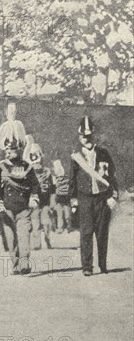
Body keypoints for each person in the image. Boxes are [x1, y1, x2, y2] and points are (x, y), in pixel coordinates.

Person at [0, 103, 40, 275]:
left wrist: (33, 196)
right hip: (6, 207)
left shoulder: (27, 166)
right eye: (7, 151)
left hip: (23, 207)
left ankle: (25, 262)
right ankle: (15, 263)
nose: (8, 153)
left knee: (24, 235)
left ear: (18, 150)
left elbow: (35, 184)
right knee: (10, 239)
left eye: (12, 151)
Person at [68, 116, 118, 276]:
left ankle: (103, 265)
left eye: (89, 136)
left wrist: (113, 196)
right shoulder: (76, 156)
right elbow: (72, 180)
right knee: (86, 232)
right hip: (85, 198)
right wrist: (74, 200)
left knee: (102, 232)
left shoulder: (104, 153)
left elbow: (111, 176)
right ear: (79, 136)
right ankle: (87, 267)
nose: (87, 139)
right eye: (84, 136)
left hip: (103, 198)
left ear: (94, 135)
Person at [26, 138, 53, 250]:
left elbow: (52, 188)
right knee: (35, 222)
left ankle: (47, 239)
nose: (37, 165)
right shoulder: (28, 173)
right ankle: (37, 243)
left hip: (45, 201)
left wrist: (52, 202)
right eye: (34, 162)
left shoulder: (47, 172)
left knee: (46, 222)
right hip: (35, 201)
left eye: (38, 162)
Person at [52, 159, 72, 233]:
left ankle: (67, 227)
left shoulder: (64, 179)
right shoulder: (56, 179)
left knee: (65, 215)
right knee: (61, 214)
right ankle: (62, 227)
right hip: (60, 200)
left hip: (64, 199)